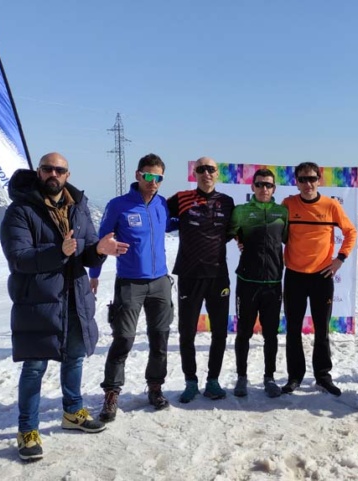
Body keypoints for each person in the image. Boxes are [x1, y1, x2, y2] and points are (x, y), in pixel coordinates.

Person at [0, 152, 128, 461]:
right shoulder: (20, 210)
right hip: (38, 302)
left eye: (60, 169)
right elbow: (18, 258)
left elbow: (84, 252)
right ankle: (27, 429)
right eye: (48, 169)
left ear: (67, 175)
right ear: (39, 172)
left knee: (74, 357)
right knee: (34, 366)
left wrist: (98, 250)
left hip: (74, 296)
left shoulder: (77, 206)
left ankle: (72, 413)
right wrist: (59, 250)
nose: (53, 174)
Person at [89, 153, 174, 422]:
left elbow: (172, 226)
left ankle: (155, 388)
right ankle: (112, 393)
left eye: (158, 177)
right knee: (123, 338)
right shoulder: (119, 205)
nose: (153, 182)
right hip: (129, 282)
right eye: (148, 176)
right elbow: (102, 239)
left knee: (160, 339)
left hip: (160, 282)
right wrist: (95, 273)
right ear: (138, 175)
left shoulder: (161, 204)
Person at [281, 162, 357, 396]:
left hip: (322, 277)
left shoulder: (331, 205)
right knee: (293, 329)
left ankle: (323, 376)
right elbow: (276, 232)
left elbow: (351, 232)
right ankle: (295, 376)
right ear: (296, 181)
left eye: (312, 178)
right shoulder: (288, 204)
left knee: (321, 329)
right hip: (294, 275)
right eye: (302, 179)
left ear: (319, 179)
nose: (308, 184)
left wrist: (340, 259)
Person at [168, 156, 235, 402]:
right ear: (194, 173)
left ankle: (213, 381)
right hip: (189, 275)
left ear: (217, 174)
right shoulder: (181, 198)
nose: (206, 173)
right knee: (187, 333)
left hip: (218, 276)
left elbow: (233, 232)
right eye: (201, 169)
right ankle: (190, 381)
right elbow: (155, 214)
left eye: (211, 169)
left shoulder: (228, 202)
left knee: (220, 333)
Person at [228, 168, 288, 398]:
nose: (264, 188)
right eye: (260, 184)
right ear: (252, 187)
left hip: (273, 282)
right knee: (243, 333)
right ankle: (241, 377)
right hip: (247, 282)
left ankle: (269, 377)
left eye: (269, 185)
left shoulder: (282, 212)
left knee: (271, 334)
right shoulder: (242, 211)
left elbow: (287, 238)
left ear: (274, 188)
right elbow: (230, 231)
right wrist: (239, 239)